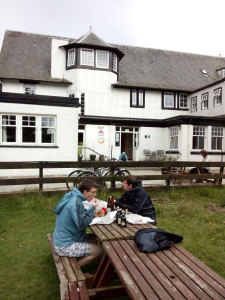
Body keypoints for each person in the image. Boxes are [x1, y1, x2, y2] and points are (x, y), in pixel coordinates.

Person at [53, 180, 103, 267]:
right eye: (93, 192)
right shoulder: (75, 202)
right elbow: (82, 225)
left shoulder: (74, 197)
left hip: (64, 237)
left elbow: (79, 214)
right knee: (100, 251)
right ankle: (74, 268)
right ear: (85, 192)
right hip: (64, 245)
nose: (95, 195)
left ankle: (80, 259)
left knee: (93, 240)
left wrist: (90, 213)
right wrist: (92, 208)